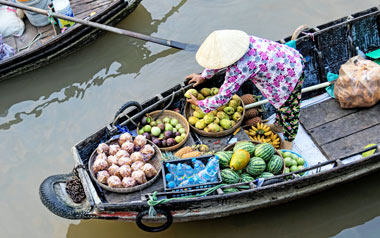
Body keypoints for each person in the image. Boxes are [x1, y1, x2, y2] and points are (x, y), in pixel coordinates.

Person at [186, 30, 304, 149]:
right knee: (281, 105)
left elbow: (223, 97)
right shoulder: (244, 42)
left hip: (290, 74)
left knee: (289, 110)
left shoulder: (239, 68)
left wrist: (200, 104)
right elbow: (217, 62)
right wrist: (203, 76)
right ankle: (279, 126)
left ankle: (289, 143)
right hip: (285, 60)